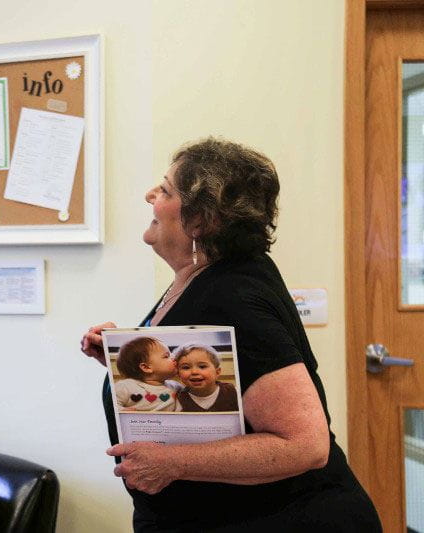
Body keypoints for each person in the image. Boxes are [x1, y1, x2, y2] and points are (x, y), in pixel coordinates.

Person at [80, 138, 381, 531]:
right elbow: (231, 373)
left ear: (201, 220)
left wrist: (171, 463)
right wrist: (132, 359)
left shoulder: (233, 295)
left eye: (165, 190)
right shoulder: (206, 278)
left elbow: (305, 445)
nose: (149, 195)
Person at [113, 336, 180, 412]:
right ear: (146, 367)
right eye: (166, 356)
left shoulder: (176, 387)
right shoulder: (125, 387)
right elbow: (111, 405)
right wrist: (123, 411)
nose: (174, 358)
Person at [172, 342, 239, 412]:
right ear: (178, 374)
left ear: (217, 372)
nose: (194, 372)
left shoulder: (232, 392)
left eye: (202, 366)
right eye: (186, 367)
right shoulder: (179, 399)